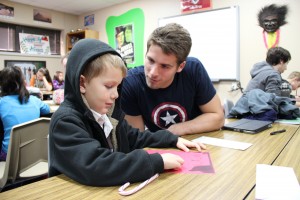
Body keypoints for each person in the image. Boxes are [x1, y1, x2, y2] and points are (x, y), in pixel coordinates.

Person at [48, 38, 206, 186]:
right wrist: (156, 162)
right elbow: (96, 165)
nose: (116, 94)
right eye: (109, 86)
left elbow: (135, 137)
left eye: (118, 87)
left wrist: (171, 139)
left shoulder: (108, 116)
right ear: (82, 83)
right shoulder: (65, 121)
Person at [120, 23, 225, 136]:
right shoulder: (130, 83)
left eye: (164, 66)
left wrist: (177, 129)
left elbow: (218, 118)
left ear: (180, 66)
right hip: (161, 147)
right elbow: (136, 138)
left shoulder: (193, 69)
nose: (153, 73)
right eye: (150, 60)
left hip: (198, 140)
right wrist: (167, 138)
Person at [0, 66, 50, 161]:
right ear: (23, 82)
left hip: (10, 157)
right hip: (36, 154)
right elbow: (47, 110)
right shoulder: (35, 100)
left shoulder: (2, 102)